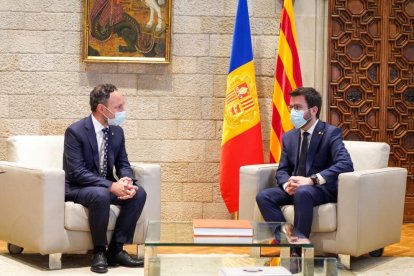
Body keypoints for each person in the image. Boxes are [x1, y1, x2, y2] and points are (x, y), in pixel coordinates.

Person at [256, 87, 354, 253]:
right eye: (291, 107)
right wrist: (287, 184)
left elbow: (346, 164)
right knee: (264, 196)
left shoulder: (330, 133)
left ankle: (298, 252)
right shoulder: (289, 136)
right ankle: (289, 243)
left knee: (303, 193)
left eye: (298, 107)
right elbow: (282, 169)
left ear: (313, 110)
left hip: (320, 189)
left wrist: (311, 180)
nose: (293, 112)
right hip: (295, 188)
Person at [63, 84, 147, 273]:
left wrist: (126, 180)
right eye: (118, 107)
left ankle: (116, 250)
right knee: (100, 194)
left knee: (138, 193)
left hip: (105, 186)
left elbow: (123, 163)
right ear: (102, 108)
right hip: (79, 188)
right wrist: (111, 186)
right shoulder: (75, 131)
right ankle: (99, 251)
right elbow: (77, 171)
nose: (123, 111)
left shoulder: (117, 132)